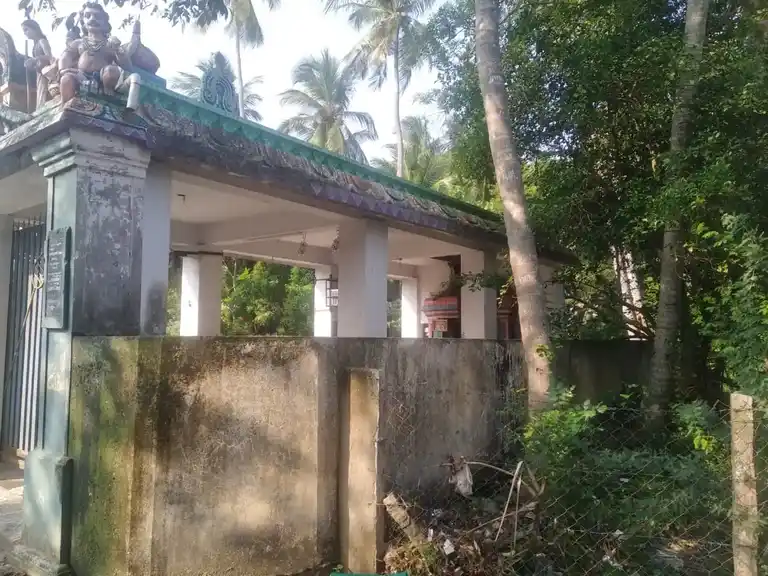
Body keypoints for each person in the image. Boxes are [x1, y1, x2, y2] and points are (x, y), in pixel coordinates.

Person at [21, 19, 53, 111]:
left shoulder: (42, 41)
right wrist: (30, 65)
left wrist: (35, 59)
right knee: (40, 95)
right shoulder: (34, 46)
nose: (25, 33)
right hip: (39, 74)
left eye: (26, 29)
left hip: (46, 73)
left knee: (44, 95)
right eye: (23, 31)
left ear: (34, 29)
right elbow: (37, 63)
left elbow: (49, 57)